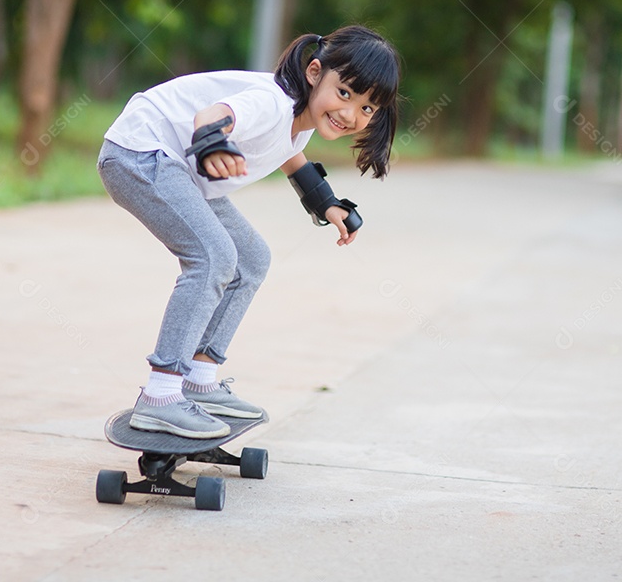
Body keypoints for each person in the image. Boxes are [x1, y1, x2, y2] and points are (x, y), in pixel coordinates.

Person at [97, 25, 401, 439]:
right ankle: (161, 395)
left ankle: (199, 380)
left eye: (367, 109)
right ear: (315, 72)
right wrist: (213, 145)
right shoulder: (271, 102)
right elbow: (210, 117)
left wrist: (324, 201)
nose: (350, 114)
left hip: (179, 168)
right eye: (345, 93)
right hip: (141, 153)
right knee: (214, 255)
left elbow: (290, 153)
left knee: (252, 258)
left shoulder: (301, 116)